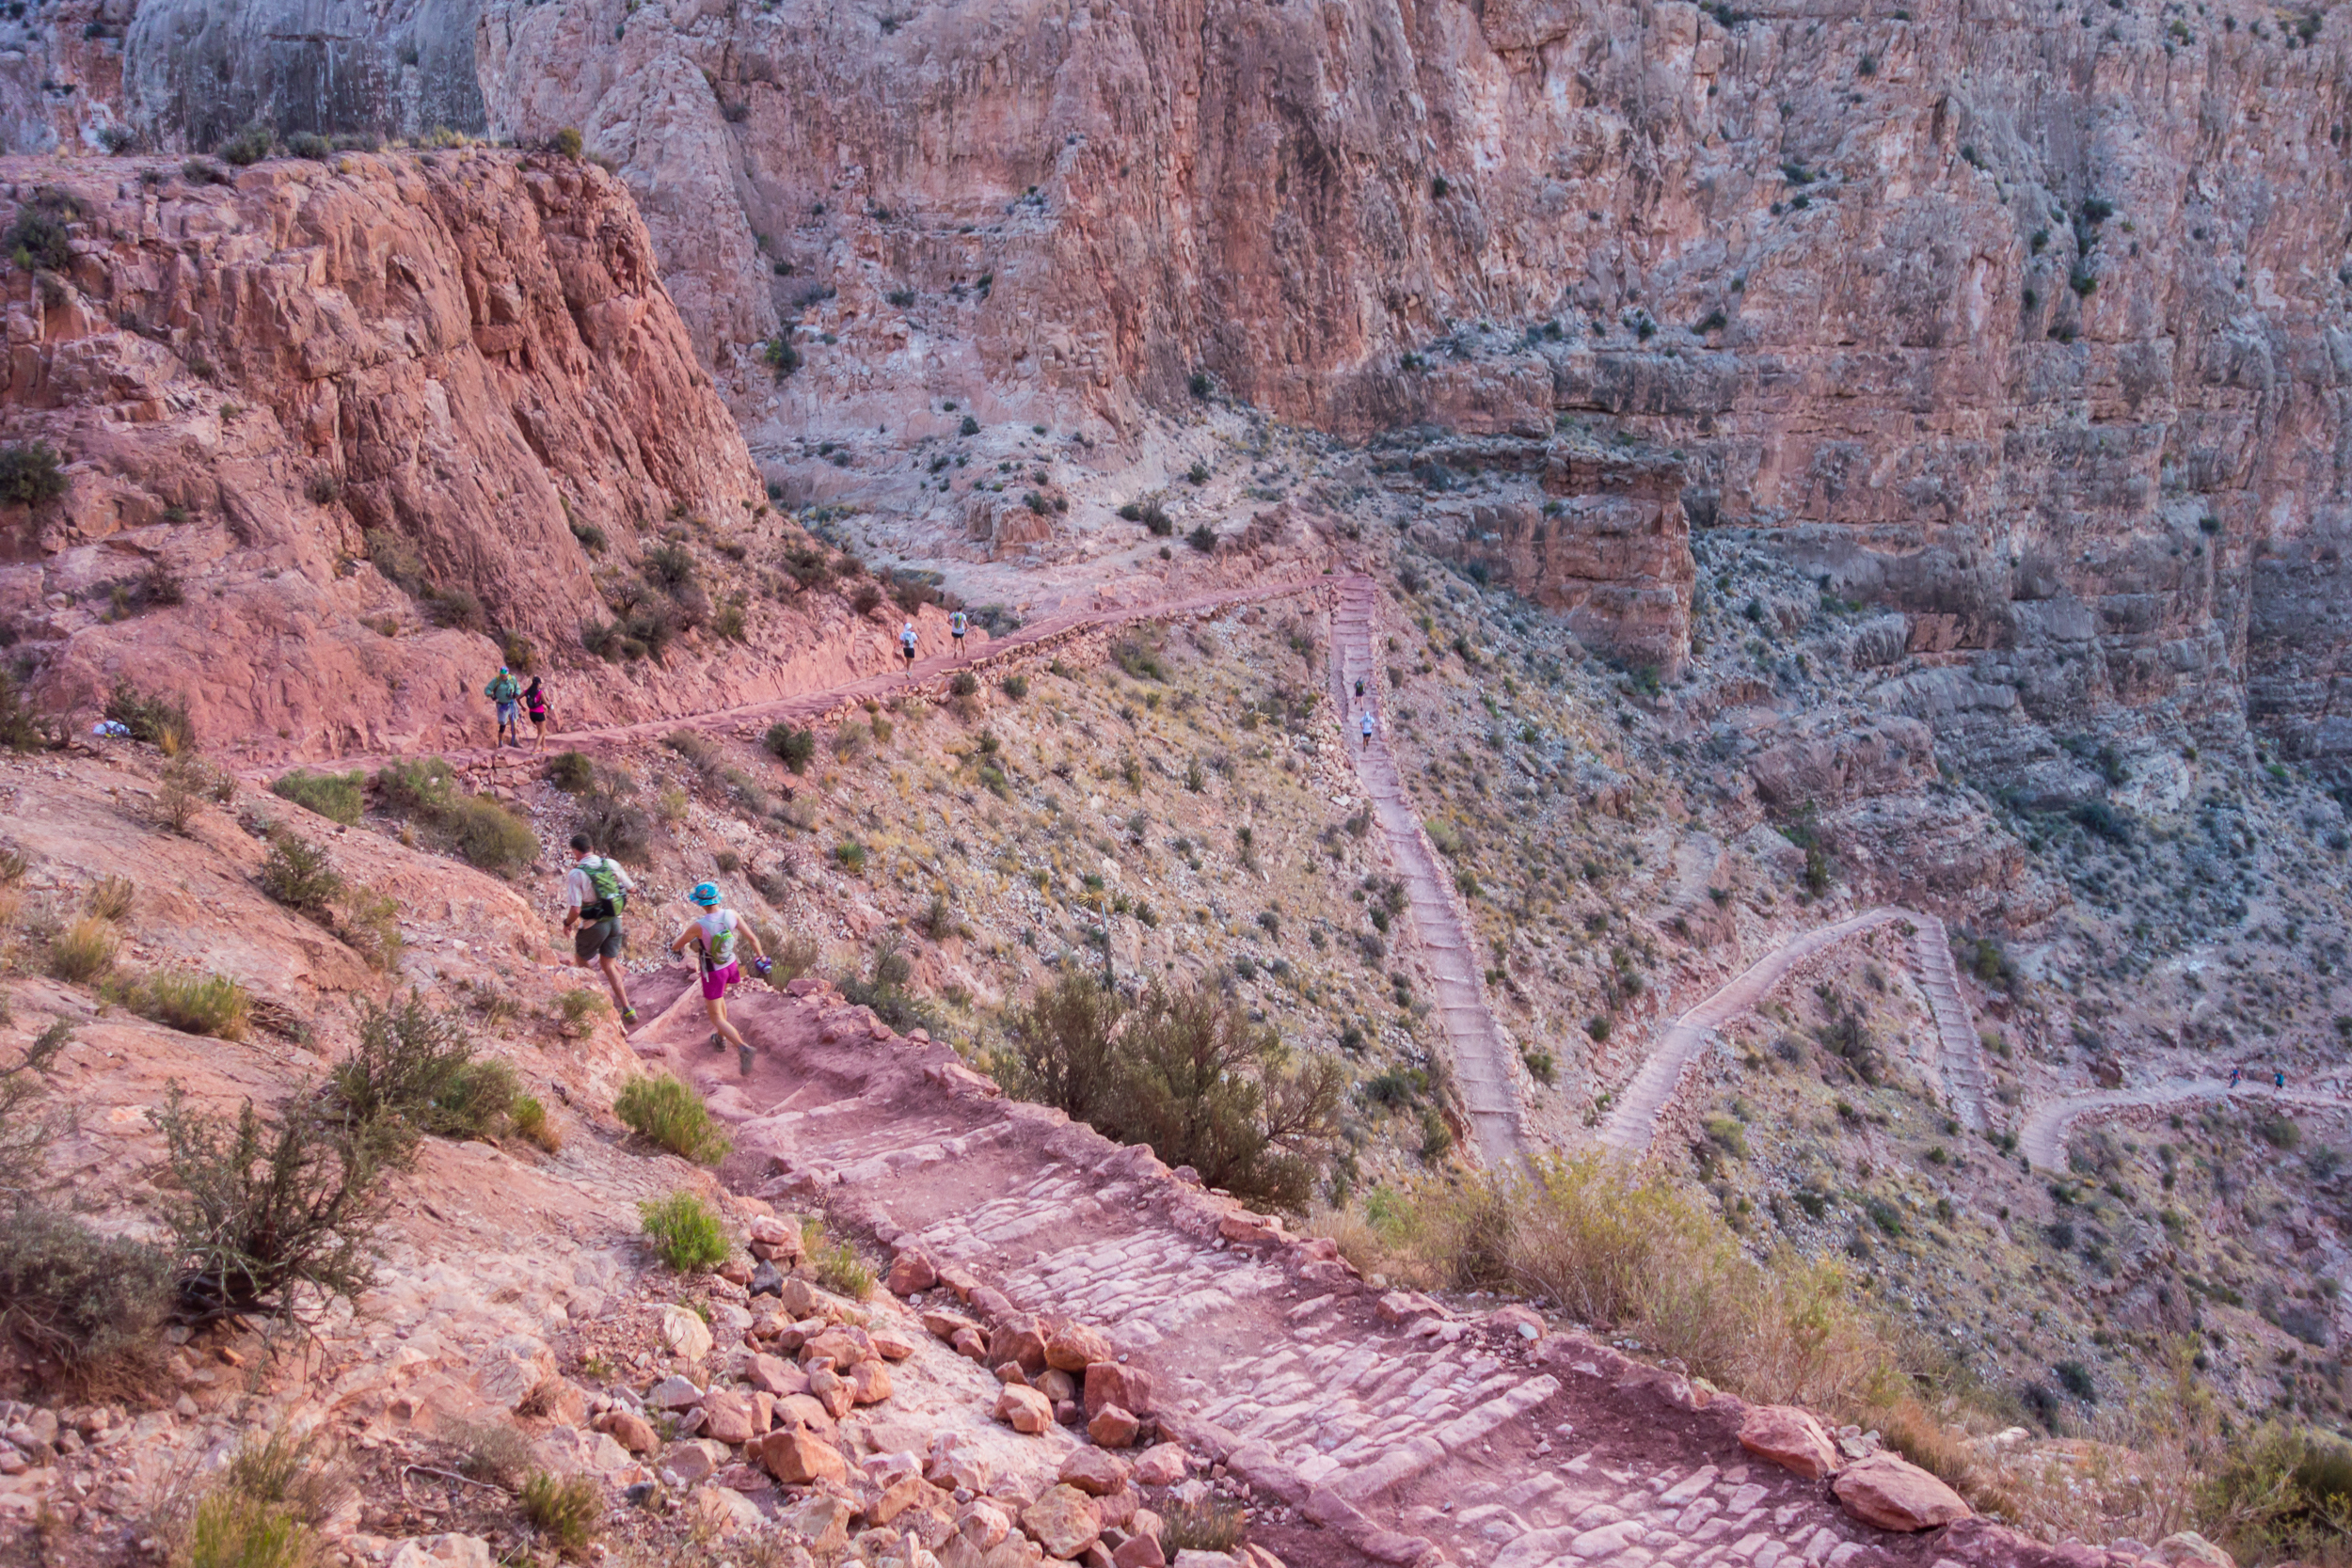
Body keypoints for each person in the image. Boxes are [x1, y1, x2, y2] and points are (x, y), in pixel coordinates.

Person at [671, 881, 771, 1076]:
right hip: (731, 965)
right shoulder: (731, 915)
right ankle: (720, 1037)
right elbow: (752, 938)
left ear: (700, 903)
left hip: (713, 971)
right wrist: (761, 956)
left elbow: (676, 945)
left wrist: (687, 940)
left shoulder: (699, 926)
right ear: (717, 898)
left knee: (715, 1016)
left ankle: (743, 1048)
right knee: (720, 999)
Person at [561, 833, 638, 1025]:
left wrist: (567, 923)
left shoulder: (577, 874)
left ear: (576, 851)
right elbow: (632, 889)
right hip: (615, 921)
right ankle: (628, 1009)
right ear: (592, 848)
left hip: (593, 924)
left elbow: (576, 909)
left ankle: (596, 998)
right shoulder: (610, 864)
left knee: (580, 959)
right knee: (609, 965)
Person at [485, 666, 522, 748]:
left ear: (507, 674)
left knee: (514, 723)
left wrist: (516, 694)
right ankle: (500, 744)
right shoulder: (497, 680)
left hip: (511, 704)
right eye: (502, 675)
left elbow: (518, 689)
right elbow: (487, 689)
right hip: (502, 705)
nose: (503, 677)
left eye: (504, 675)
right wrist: (492, 696)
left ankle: (514, 741)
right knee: (503, 725)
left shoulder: (512, 679)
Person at [523, 676, 549, 752]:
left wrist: (522, 706)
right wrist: (550, 705)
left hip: (532, 714)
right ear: (538, 684)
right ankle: (534, 750)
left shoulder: (527, 691)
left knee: (542, 730)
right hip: (539, 714)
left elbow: (518, 698)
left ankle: (544, 747)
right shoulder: (540, 693)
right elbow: (546, 703)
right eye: (540, 684)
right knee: (541, 733)